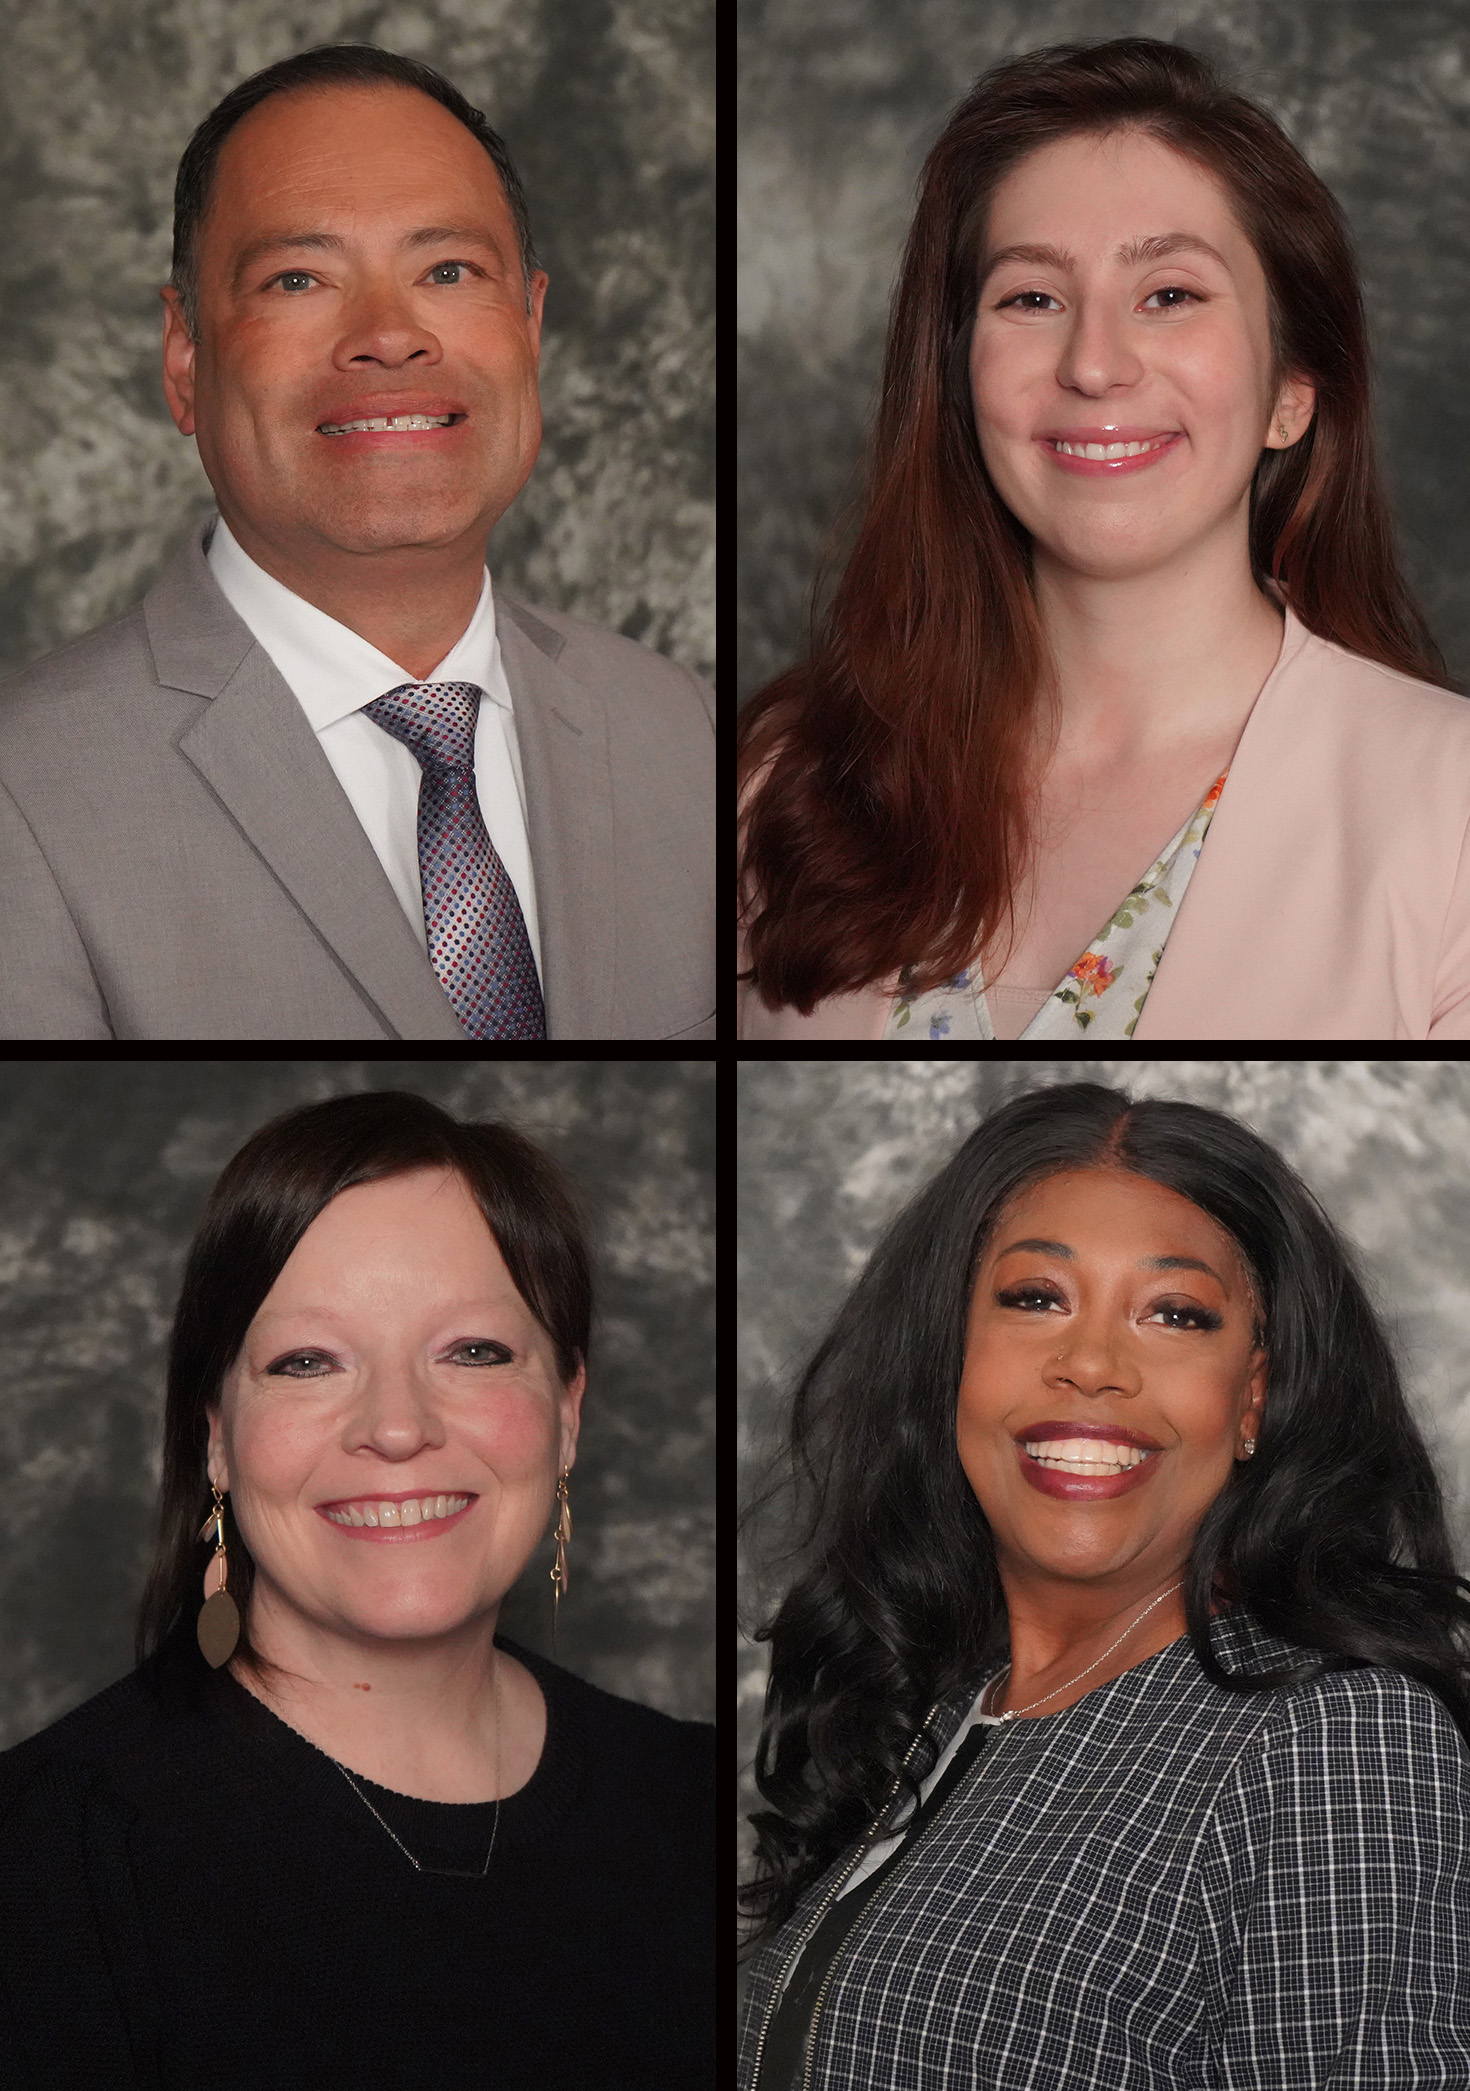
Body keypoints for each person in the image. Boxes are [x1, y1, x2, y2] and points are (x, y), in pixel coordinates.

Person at [738, 1080, 1470, 2086]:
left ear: (1253, 1396)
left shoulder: (1332, 1737)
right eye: (1036, 1298)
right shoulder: (927, 1704)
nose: (1092, 1363)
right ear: (953, 1356)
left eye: (1174, 1314)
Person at [737, 38, 1470, 1041]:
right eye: (1031, 298)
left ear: (1293, 391)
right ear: (957, 379)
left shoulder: (1453, 809)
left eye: (1170, 295)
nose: (1093, 364)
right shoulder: (784, 780)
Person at [0, 1090, 714, 2089]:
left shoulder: (700, 1805)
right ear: (215, 1433)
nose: (394, 1425)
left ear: (567, 1410)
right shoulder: (47, 1860)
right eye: (308, 1361)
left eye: (471, 1351)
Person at [0, 44, 714, 1041]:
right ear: (184, 357)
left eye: (449, 270)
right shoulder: (23, 788)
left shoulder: (687, 735)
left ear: (531, 326)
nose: (389, 334)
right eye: (299, 279)